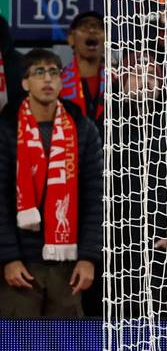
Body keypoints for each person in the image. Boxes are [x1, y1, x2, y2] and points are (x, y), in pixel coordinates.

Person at [0, 50, 102, 318]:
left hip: (68, 265)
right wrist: (8, 258)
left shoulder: (83, 128)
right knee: (19, 344)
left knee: (65, 343)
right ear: (24, 83)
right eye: (38, 72)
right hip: (21, 266)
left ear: (61, 81)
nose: (47, 79)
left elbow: (95, 198)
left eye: (53, 72)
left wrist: (89, 257)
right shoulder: (6, 128)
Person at [60, 11, 105, 126]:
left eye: (99, 27)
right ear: (71, 38)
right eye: (84, 27)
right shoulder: (57, 84)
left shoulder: (118, 84)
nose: (92, 30)